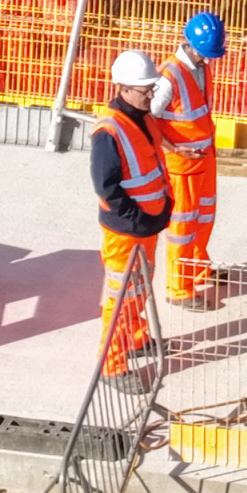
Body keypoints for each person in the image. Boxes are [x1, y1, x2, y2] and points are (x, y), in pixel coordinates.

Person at [88, 46, 170, 378]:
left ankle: (135, 339)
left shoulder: (143, 118)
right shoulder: (109, 131)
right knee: (120, 297)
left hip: (146, 225)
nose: (152, 94)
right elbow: (106, 187)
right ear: (122, 89)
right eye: (145, 90)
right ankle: (112, 366)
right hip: (127, 229)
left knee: (139, 287)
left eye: (153, 88)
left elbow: (153, 165)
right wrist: (137, 219)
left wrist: (162, 208)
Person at [148, 9, 223, 305]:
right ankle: (180, 290)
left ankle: (198, 270)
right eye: (204, 54)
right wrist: (172, 148)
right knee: (183, 225)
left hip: (204, 158)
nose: (208, 60)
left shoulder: (201, 67)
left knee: (205, 217)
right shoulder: (169, 76)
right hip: (182, 165)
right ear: (188, 43)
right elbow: (148, 118)